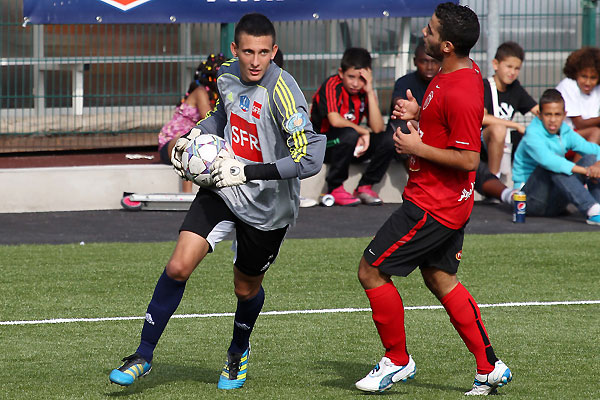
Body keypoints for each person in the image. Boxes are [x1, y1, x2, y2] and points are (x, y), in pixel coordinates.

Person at [109, 13, 325, 390]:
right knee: (178, 266)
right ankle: (142, 354)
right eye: (247, 52)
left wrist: (250, 173)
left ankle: (238, 349)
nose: (255, 61)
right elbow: (221, 113)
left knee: (245, 289)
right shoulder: (225, 75)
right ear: (234, 50)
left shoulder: (284, 92)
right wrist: (194, 137)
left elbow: (309, 159)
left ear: (274, 51)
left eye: (263, 52)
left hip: (267, 208)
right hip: (223, 190)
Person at [355, 3, 512, 396]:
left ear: (444, 45)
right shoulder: (460, 69)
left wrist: (416, 145)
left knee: (371, 271)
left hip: (432, 206)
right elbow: (445, 122)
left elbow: (468, 159)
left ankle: (397, 360)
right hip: (448, 204)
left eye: (429, 29)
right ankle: (489, 367)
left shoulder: (460, 90)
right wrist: (419, 113)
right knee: (441, 279)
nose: (422, 32)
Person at [310, 47, 391, 206]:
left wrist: (369, 91)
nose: (355, 83)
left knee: (388, 140)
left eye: (361, 78)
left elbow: (378, 128)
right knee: (348, 135)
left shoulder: (364, 90)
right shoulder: (332, 85)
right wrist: (362, 132)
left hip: (351, 144)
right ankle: (334, 188)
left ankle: (365, 186)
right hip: (324, 146)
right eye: (351, 77)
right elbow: (335, 120)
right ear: (341, 73)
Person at [512, 88, 600, 224]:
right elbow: (549, 161)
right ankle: (592, 209)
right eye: (548, 114)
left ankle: (596, 210)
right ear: (539, 115)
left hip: (554, 201)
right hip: (529, 201)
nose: (553, 120)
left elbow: (594, 150)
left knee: (591, 159)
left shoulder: (565, 131)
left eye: (557, 114)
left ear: (564, 115)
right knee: (554, 166)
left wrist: (597, 167)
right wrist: (587, 171)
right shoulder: (532, 133)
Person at [157, 53, 226, 192]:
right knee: (188, 145)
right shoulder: (201, 92)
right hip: (172, 144)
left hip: (194, 140)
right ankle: (187, 194)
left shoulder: (215, 97)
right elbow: (207, 118)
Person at [481, 41, 539, 177]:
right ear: (495, 64)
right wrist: (515, 125)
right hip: (482, 140)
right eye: (509, 66)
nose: (512, 72)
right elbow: (482, 117)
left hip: (505, 142)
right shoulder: (485, 86)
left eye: (517, 68)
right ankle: (493, 179)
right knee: (499, 129)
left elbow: (538, 110)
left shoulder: (515, 88)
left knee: (533, 134)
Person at [387, 37, 440, 137]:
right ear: (415, 61)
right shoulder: (404, 82)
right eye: (424, 61)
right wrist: (402, 106)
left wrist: (418, 113)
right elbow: (399, 103)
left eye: (434, 62)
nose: (429, 67)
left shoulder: (445, 84)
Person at [556, 47, 600, 145]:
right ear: (575, 74)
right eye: (584, 76)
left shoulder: (597, 89)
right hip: (561, 137)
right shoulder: (568, 85)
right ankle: (582, 161)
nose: (588, 82)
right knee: (596, 133)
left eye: (593, 78)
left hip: (582, 136)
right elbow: (579, 124)